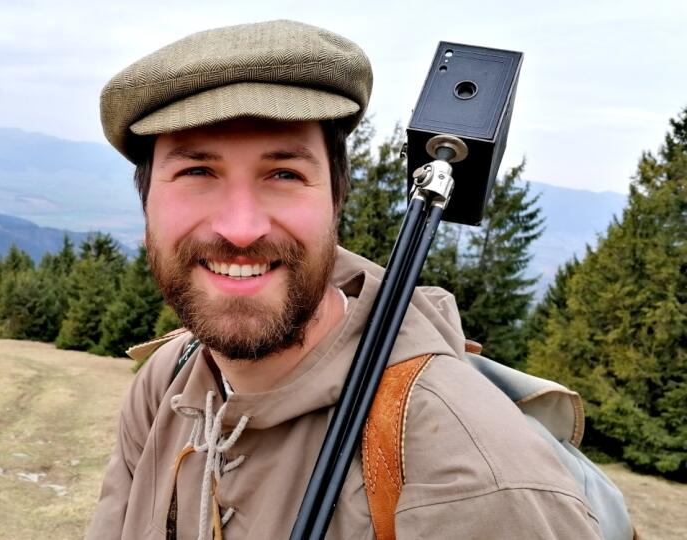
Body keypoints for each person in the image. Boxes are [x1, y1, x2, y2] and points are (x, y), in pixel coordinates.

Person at [87, 20, 603, 539]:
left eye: (284, 174)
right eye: (197, 172)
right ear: (147, 200)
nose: (240, 229)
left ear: (336, 199)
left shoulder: (474, 477)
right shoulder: (169, 382)